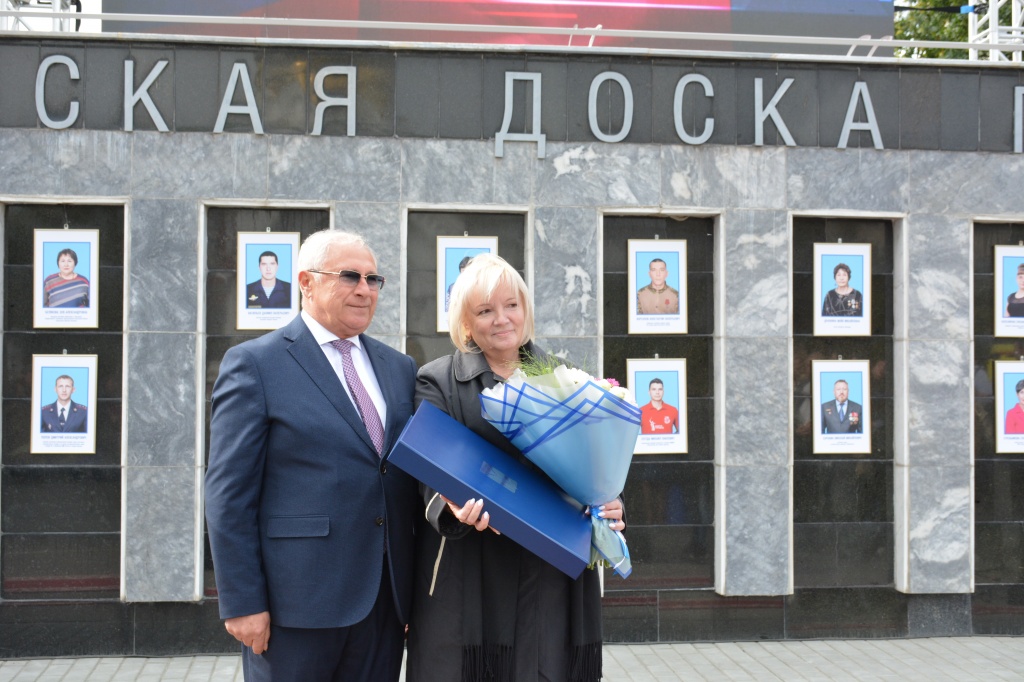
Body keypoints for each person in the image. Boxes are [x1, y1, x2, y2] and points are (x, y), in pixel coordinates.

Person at [205, 230, 419, 682]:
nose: (365, 289)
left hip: (383, 604)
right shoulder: (255, 365)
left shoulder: (399, 368)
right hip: (295, 608)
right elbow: (228, 495)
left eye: (373, 279)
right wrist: (243, 602)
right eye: (349, 276)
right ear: (306, 282)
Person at [407, 253, 623, 682]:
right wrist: (450, 505)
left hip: (549, 570)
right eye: (485, 311)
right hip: (473, 568)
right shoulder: (437, 382)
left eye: (511, 305)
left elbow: (595, 461)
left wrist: (609, 500)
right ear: (465, 323)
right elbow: (428, 473)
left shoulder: (566, 379)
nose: (502, 319)